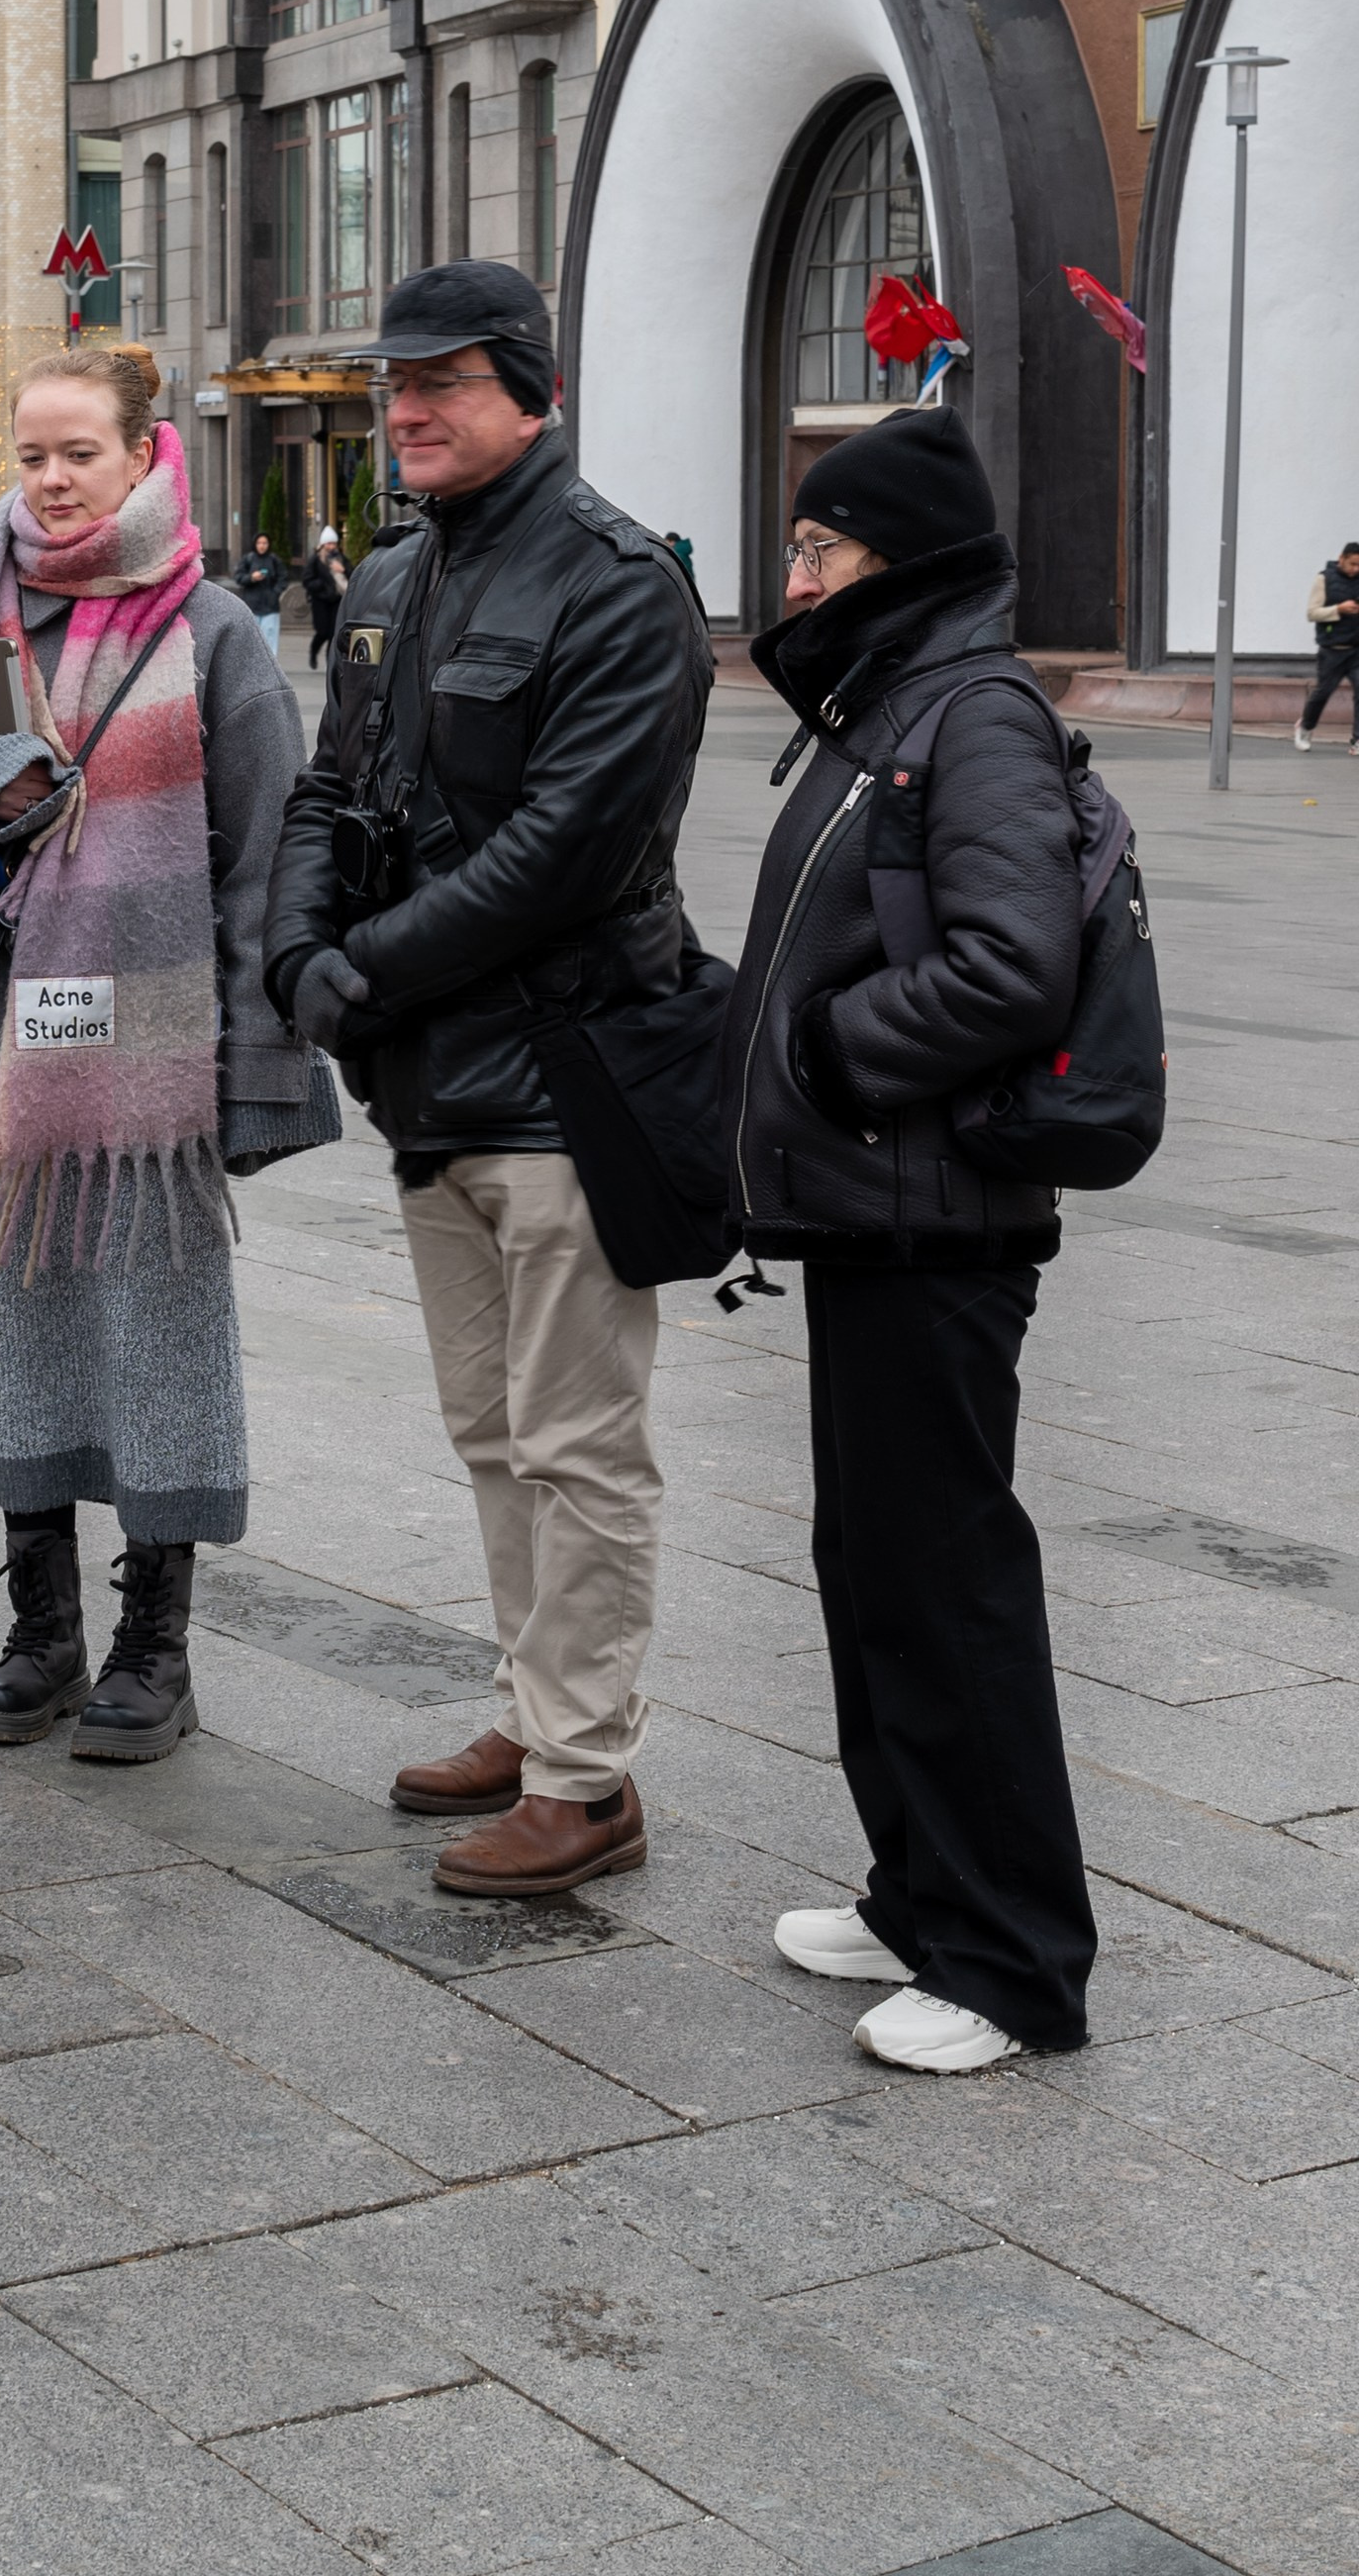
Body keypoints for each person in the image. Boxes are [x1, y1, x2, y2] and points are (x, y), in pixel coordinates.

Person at [264, 261, 712, 1899]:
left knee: (581, 1442)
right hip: (431, 1089)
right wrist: (294, 947)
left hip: (570, 1082)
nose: (407, 409)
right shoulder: (390, 574)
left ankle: (590, 1779)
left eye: (443, 380)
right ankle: (534, 1712)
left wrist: (361, 970)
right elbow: (330, 790)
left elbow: (566, 854)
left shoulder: (618, 584)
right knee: (492, 1432)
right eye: (395, 382)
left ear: (530, 386)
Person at [722, 406, 1094, 2074]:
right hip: (870, 1207)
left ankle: (1013, 1958)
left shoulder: (977, 715)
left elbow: (1017, 967)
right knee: (868, 1565)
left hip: (940, 1215)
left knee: (945, 1585)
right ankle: (915, 1884)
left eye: (821, 545)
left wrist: (822, 1053)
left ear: (902, 554)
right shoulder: (892, 702)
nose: (795, 573)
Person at [0, 347, 324, 1761]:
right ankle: (43, 1631)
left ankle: (157, 1649)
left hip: (146, 1061)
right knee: (9, 1323)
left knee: (154, 1342)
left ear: (148, 457)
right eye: (30, 455)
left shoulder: (214, 631)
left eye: (80, 452)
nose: (51, 480)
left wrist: (260, 1064)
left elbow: (267, 863)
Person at [1297, 541, 1359, 752]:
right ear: (1341, 558)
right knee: (1323, 692)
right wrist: (1338, 609)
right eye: (1352, 564)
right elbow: (1312, 613)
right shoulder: (1324, 579)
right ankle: (1306, 726)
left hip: (1356, 649)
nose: (1355, 569)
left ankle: (1357, 740)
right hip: (1332, 650)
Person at [301, 525, 349, 671]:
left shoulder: (341, 558)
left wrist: (343, 570)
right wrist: (322, 585)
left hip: (337, 601)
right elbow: (307, 579)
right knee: (322, 632)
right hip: (320, 601)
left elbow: (352, 575)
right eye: (329, 543)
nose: (331, 546)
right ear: (323, 544)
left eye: (334, 543)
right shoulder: (316, 559)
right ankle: (313, 652)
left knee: (333, 634)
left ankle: (331, 664)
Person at [234, 531, 286, 649]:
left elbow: (283, 578)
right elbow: (238, 577)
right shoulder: (248, 559)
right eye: (259, 543)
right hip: (252, 606)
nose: (262, 546)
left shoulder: (274, 560)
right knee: (252, 641)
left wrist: (275, 593)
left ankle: (271, 666)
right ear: (255, 544)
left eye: (265, 543)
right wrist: (251, 577)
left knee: (270, 640)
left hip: (270, 607)